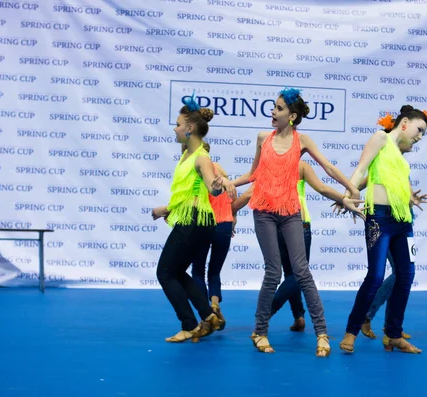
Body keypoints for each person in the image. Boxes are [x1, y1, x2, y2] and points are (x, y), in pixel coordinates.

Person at [232, 87, 361, 356]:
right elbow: (253, 174)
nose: (272, 112)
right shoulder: (261, 138)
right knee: (273, 273)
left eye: (278, 108)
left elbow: (328, 168)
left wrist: (350, 189)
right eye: (273, 107)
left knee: (302, 272)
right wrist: (228, 183)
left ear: (291, 116)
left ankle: (322, 334)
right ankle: (260, 331)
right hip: (264, 212)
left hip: (291, 213)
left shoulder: (302, 141)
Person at [338, 105, 427, 354]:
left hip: (403, 221)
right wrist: (346, 195)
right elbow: (361, 170)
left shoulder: (400, 156)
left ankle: (393, 334)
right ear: (404, 123)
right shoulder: (380, 138)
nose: (420, 136)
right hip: (379, 219)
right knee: (376, 276)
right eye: (419, 130)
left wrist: (410, 196)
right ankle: (351, 331)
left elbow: (394, 181)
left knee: (406, 275)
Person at [232, 160, 364, 332]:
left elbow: (249, 193)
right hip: (300, 223)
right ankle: (271, 309)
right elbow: (322, 188)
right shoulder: (300, 166)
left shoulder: (271, 166)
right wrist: (344, 198)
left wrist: (230, 211)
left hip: (277, 224)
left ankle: (298, 316)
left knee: (291, 273)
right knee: (296, 274)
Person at [151, 94, 237, 343]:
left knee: (165, 273)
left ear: (189, 128)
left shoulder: (201, 157)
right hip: (197, 222)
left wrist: (222, 183)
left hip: (196, 222)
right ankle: (208, 316)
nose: (175, 128)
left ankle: (189, 324)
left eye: (178, 124)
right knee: (177, 272)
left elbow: (211, 187)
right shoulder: (186, 156)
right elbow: (188, 193)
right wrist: (168, 209)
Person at [181, 142, 234, 331]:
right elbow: (230, 198)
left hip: (204, 224)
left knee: (197, 272)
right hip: (225, 224)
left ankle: (206, 315)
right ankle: (214, 303)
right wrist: (232, 220)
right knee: (215, 271)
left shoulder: (195, 173)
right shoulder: (221, 170)